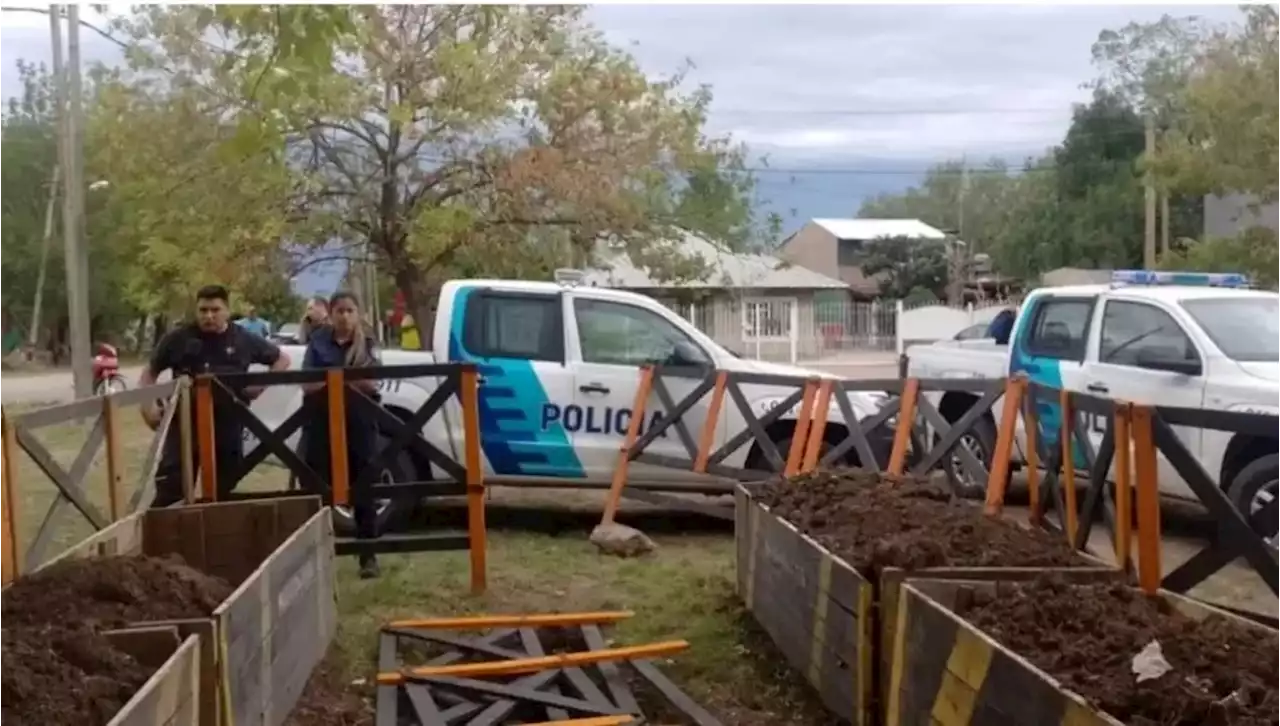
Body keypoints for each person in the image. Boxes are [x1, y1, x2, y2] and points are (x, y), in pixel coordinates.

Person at [140, 285, 292, 507]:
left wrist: (258, 387)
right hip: (184, 423)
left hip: (228, 423)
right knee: (171, 488)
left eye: (215, 310)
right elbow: (149, 372)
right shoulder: (178, 338)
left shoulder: (243, 339)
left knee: (224, 489)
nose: (208, 316)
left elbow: (282, 360)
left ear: (227, 311)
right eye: (203, 310)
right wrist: (148, 408)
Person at [300, 291, 384, 578]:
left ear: (357, 313)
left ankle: (368, 557)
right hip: (320, 423)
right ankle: (315, 558)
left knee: (365, 489)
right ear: (331, 313)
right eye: (339, 311)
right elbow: (306, 383)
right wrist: (344, 380)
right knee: (315, 487)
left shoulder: (368, 343)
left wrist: (334, 379)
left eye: (350, 310)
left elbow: (373, 383)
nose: (345, 316)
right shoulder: (317, 341)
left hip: (360, 423)